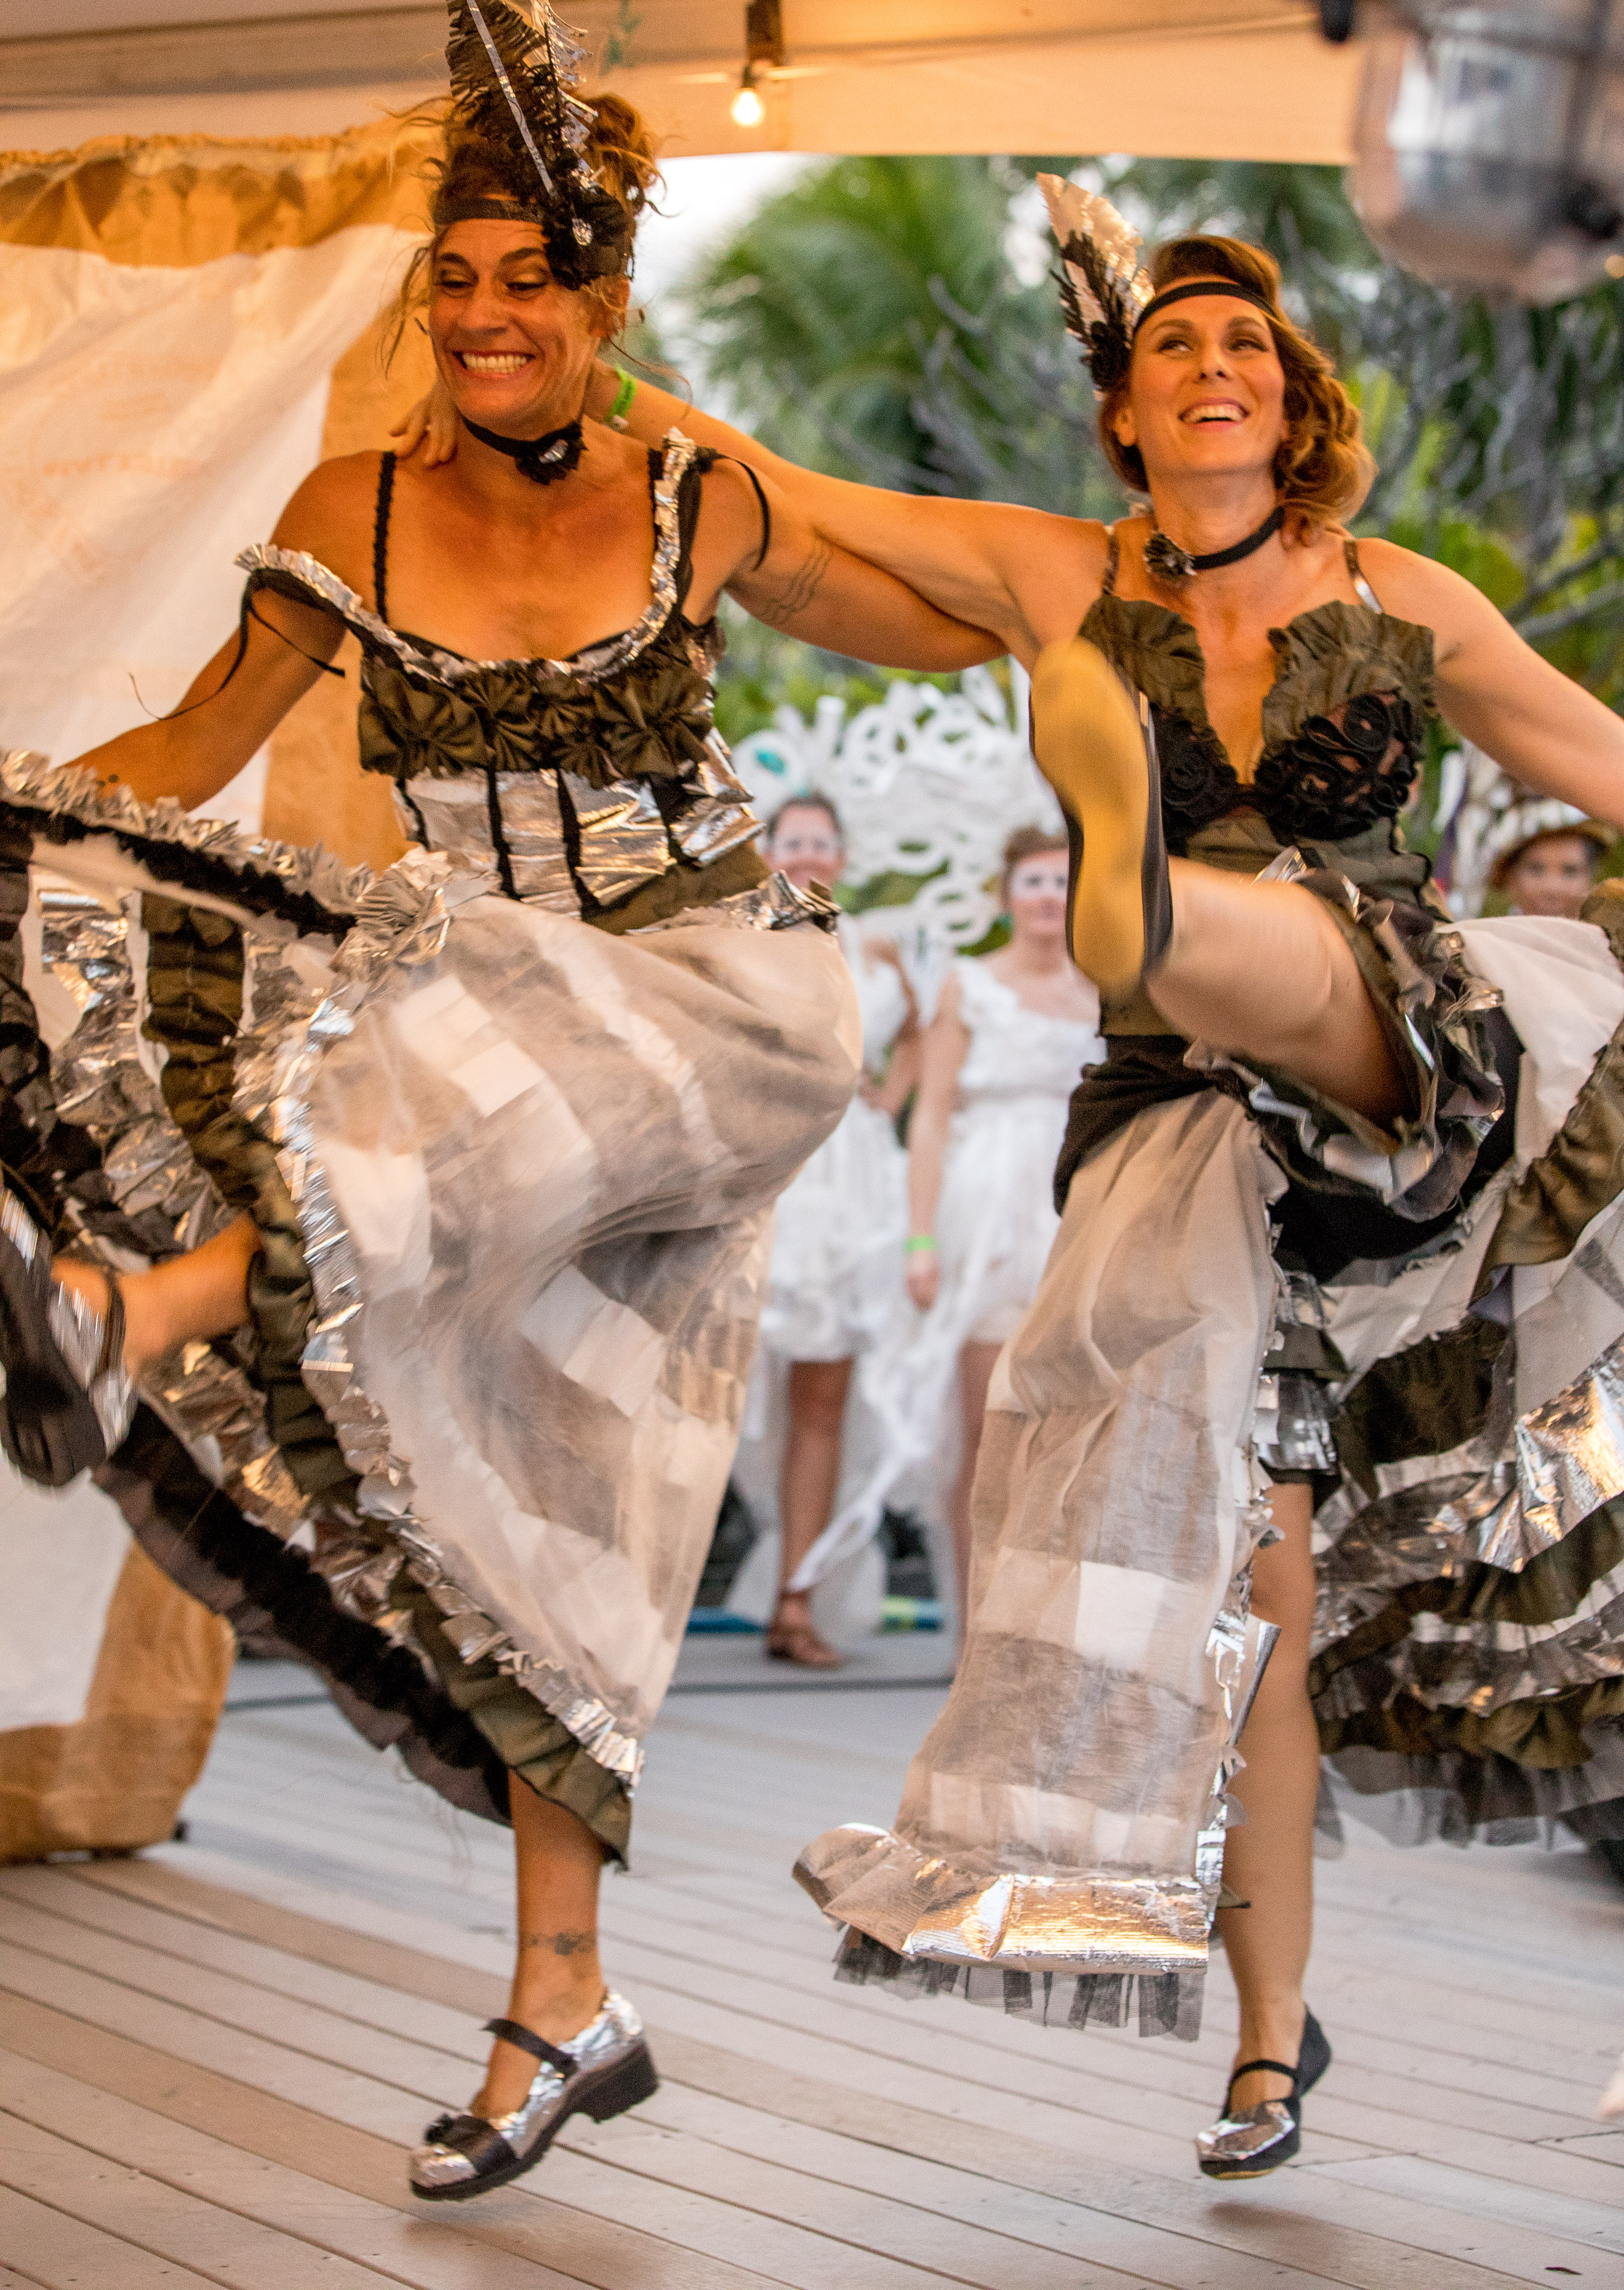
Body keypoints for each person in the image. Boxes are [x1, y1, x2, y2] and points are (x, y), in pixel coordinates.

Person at [399, 176, 1624, 2178]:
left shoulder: (1396, 594)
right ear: (1124, 412)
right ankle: (1267, 2042)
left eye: (1245, 343)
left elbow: (1605, 761)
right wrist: (581, 362)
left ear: (1290, 396)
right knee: (1253, 1579)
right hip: (1176, 1125)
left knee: (1259, 942)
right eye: (1172, 345)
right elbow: (785, 485)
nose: (1213, 363)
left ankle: (1140, 888)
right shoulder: (1059, 565)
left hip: (1392, 1055)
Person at [0, 0, 998, 2205]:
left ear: (601, 299)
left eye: (524, 278)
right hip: (494, 1041)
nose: (479, 315)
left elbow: (921, 608)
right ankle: (567, 2000)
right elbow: (194, 741)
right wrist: (21, 809)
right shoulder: (353, 506)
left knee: (409, 1114)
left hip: (716, 1011)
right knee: (568, 1508)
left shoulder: (691, 492)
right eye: (450, 281)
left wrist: (1085, 631)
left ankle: (122, 1312)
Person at [892, 827, 1100, 1628]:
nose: (1049, 896)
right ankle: (975, 1625)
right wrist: (920, 1238)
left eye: (1063, 882)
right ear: (1007, 896)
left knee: (1068, 1429)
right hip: (986, 1213)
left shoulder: (1104, 992)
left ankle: (1043, 1625)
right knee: (987, 1428)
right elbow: (931, 1115)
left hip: (1077, 1207)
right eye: (1034, 882)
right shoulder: (968, 986)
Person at [751, 792, 919, 1668]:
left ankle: (796, 1599)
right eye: (794, 840)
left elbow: (924, 1029)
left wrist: (890, 1093)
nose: (809, 854)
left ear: (843, 857)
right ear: (768, 852)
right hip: (772, 1164)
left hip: (853, 1180)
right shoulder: (742, 942)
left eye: (823, 842)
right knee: (718, 1397)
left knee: (822, 1403)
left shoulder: (878, 947)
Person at [1487, 802, 1614, 917]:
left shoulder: (1609, 936)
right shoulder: (1483, 936)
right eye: (1536, 870)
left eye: (1570, 871)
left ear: (1591, 880)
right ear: (1509, 876)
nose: (1553, 888)